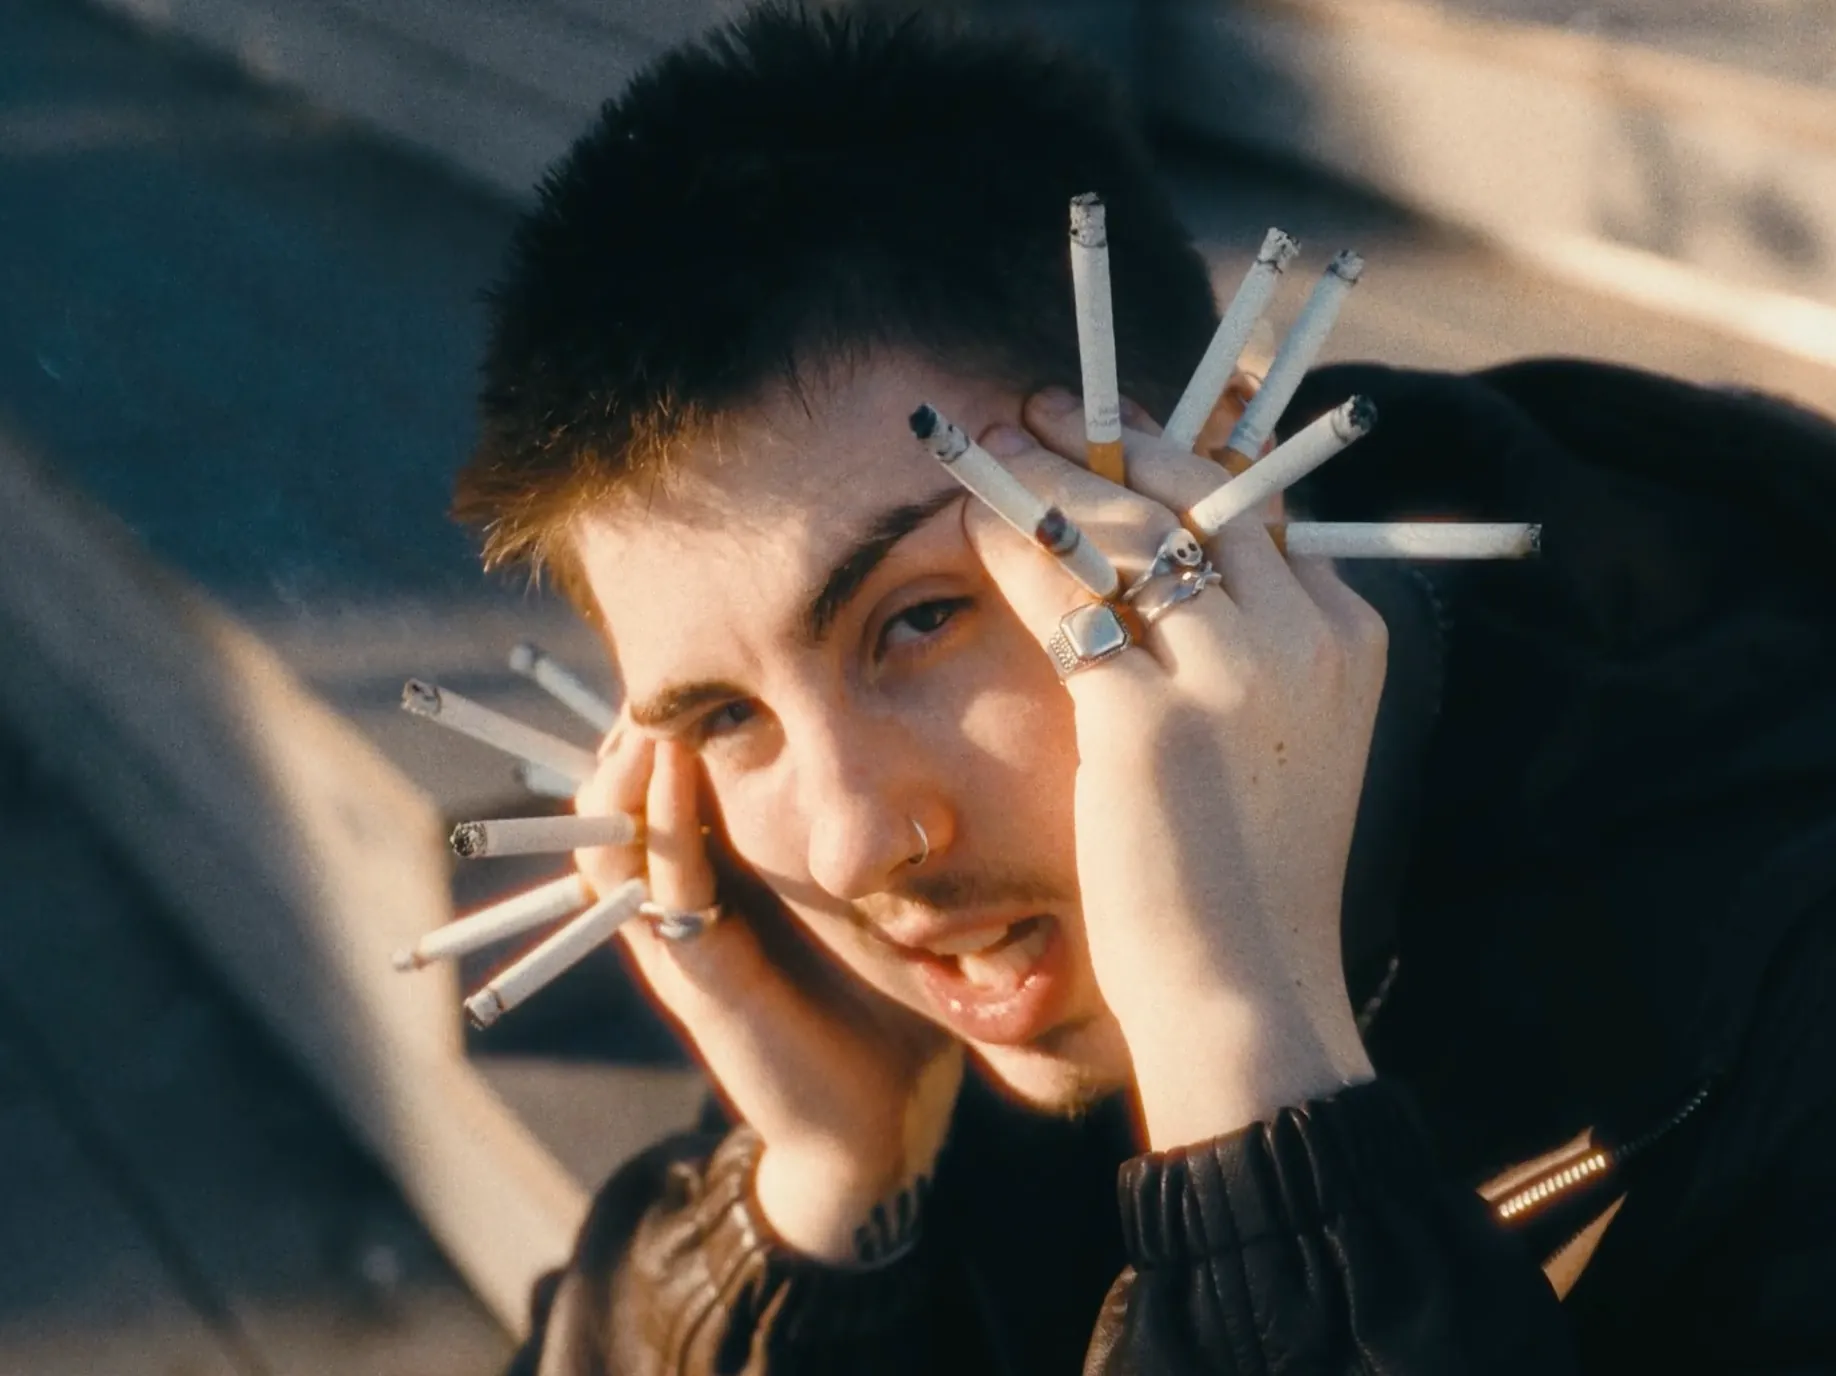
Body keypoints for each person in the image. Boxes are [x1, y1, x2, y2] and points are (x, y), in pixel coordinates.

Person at [451, 6, 1836, 1371]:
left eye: (922, 619)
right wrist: (811, 1213)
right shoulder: (924, 966)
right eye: (726, 717)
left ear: (1224, 476)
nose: (850, 844)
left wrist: (1249, 1080)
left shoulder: (1777, 1005)